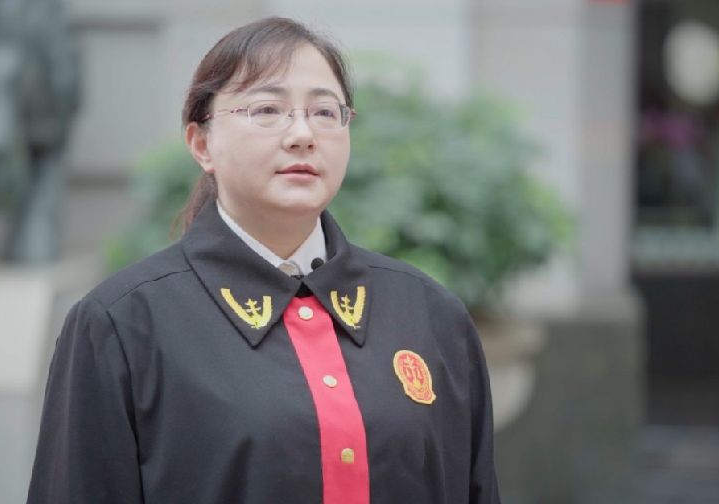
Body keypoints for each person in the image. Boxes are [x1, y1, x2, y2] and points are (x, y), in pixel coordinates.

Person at [27, 17, 500, 504]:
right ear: (202, 143)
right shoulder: (123, 325)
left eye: (324, 111)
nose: (303, 134)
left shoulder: (430, 314)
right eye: (267, 109)